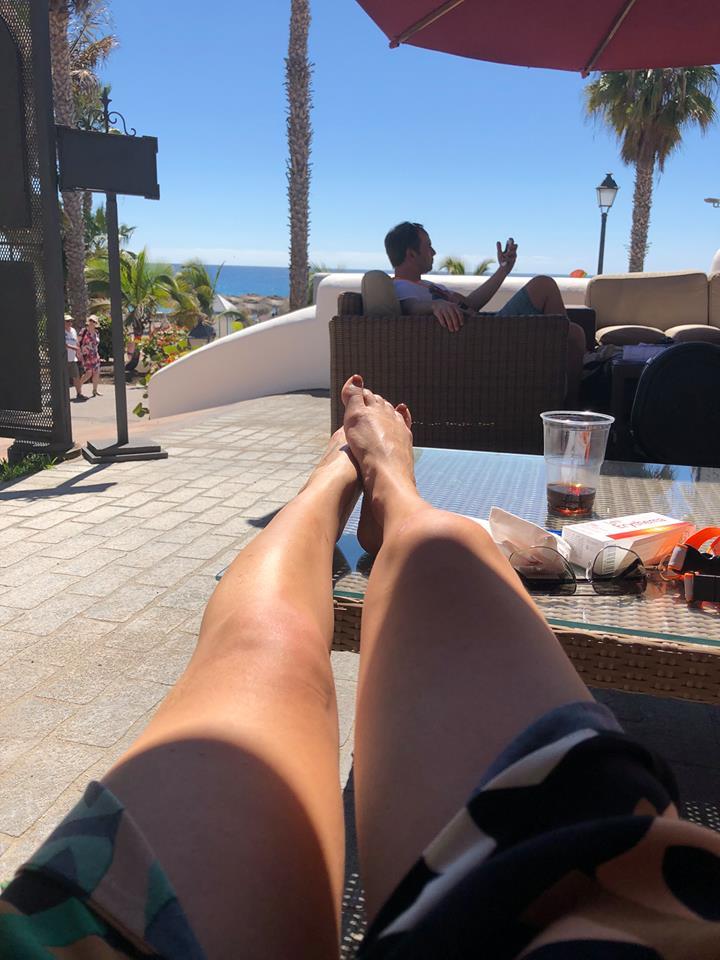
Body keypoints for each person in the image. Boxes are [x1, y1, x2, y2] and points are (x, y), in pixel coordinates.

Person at [1, 375, 719, 958]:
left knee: (263, 645)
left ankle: (337, 482)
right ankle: (389, 488)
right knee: (442, 552)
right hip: (616, 906)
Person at [385, 221, 587, 405]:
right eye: (428, 246)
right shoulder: (401, 287)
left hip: (485, 334)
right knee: (544, 286)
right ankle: (568, 407)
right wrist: (433, 306)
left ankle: (567, 401)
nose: (434, 252)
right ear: (411, 254)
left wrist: (503, 270)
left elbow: (471, 303)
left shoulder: (426, 285)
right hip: (485, 344)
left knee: (574, 333)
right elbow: (409, 308)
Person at [64, 313, 85, 401]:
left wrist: (78, 353)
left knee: (76, 376)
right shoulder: (61, 332)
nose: (70, 323)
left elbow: (76, 342)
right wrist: (74, 348)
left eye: (70, 321)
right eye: (67, 321)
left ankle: (79, 394)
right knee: (63, 378)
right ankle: (64, 396)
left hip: (72, 359)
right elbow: (64, 345)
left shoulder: (73, 330)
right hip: (64, 359)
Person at [79, 315, 102, 397]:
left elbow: (96, 344)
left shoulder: (96, 332)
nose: (92, 323)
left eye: (94, 321)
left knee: (96, 372)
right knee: (88, 373)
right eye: (91, 321)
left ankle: (95, 390)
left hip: (95, 355)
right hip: (87, 356)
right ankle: (79, 387)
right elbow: (78, 342)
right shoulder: (84, 331)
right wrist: (79, 352)